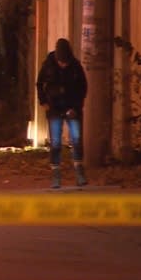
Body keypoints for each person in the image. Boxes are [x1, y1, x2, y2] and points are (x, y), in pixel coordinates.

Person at [36, 38, 88, 188]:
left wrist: (76, 106)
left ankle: (79, 171)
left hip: (72, 107)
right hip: (54, 108)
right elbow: (39, 84)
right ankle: (56, 174)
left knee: (77, 140)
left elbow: (83, 87)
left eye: (65, 62)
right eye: (61, 62)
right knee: (56, 143)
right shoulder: (48, 64)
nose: (63, 64)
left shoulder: (75, 66)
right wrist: (43, 102)